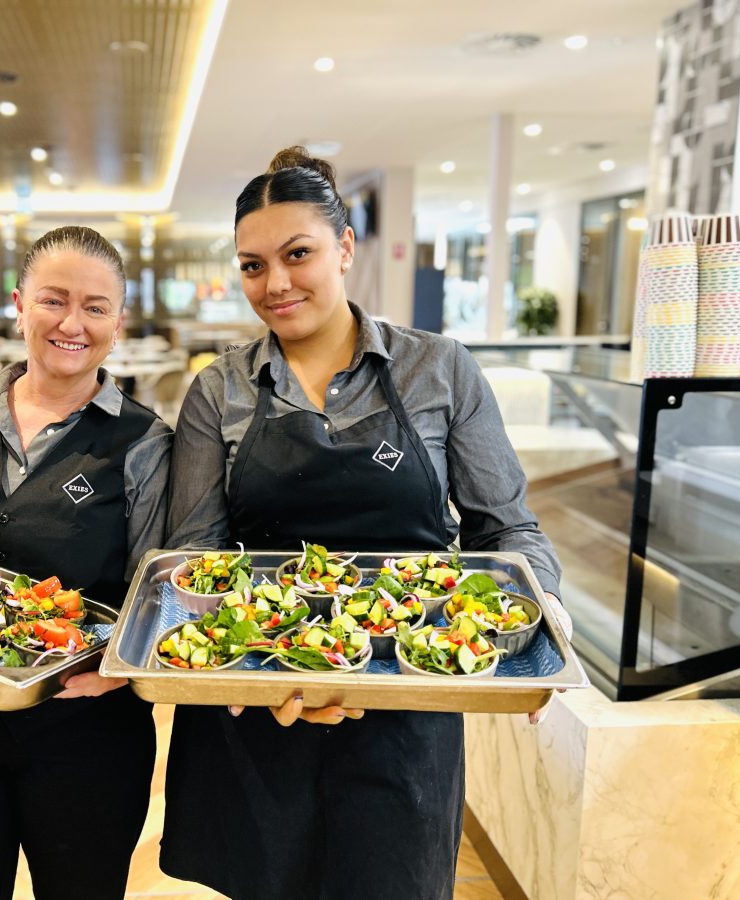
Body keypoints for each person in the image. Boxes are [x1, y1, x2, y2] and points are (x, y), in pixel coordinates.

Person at [159, 147, 570, 900]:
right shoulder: (218, 391)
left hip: (408, 700)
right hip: (259, 702)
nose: (275, 283)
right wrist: (248, 673)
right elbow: (196, 554)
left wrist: (537, 630)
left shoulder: (439, 370)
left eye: (298, 254)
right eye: (253, 265)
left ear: (345, 248)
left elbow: (507, 532)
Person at [0, 226, 171, 900]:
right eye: (53, 300)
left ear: (120, 322)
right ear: (19, 306)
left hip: (84, 734)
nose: (72, 324)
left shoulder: (143, 442)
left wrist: (122, 670)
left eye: (96, 307)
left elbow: (158, 593)